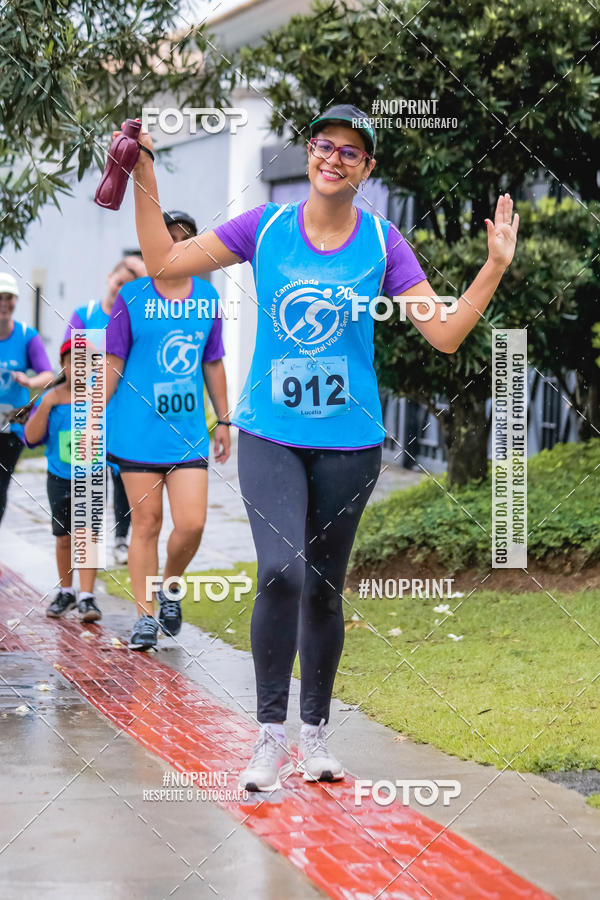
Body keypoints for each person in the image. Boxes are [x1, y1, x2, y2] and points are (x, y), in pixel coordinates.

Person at [120, 102, 519, 789]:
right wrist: (144, 169)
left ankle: (316, 737)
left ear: (367, 167)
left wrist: (494, 267)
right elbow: (164, 259)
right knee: (282, 572)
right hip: (270, 433)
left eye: (349, 151)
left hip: (349, 444)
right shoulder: (266, 226)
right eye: (323, 145)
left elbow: (446, 333)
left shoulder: (383, 242)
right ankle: (268, 738)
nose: (332, 158)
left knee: (326, 590)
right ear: (308, 152)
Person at [105, 208, 231, 651]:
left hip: (187, 433)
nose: (175, 246)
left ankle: (169, 587)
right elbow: (113, 364)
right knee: (147, 523)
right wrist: (91, 414)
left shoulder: (207, 297)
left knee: (192, 524)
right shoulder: (131, 296)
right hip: (136, 432)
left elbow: (212, 361)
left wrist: (224, 419)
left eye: (184, 239)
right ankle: (143, 618)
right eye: (167, 238)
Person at [65, 255, 147, 565]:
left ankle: (121, 539)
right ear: (109, 277)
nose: (120, 289)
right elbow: (71, 364)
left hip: (124, 412)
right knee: (88, 480)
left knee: (123, 478)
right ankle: (87, 546)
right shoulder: (85, 315)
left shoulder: (135, 318)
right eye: (119, 282)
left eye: (128, 286)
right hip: (89, 412)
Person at [24, 340, 104, 622]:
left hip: (92, 475)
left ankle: (87, 596)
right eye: (73, 362)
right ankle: (66, 591)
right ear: (63, 365)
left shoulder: (101, 396)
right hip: (59, 476)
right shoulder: (51, 398)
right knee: (63, 537)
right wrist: (46, 404)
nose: (79, 369)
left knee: (88, 535)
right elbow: (31, 438)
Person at [0, 272, 54, 524]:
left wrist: (28, 381)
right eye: (0, 297)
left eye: (8, 297)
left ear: (16, 300)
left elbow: (48, 375)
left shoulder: (26, 335)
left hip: (13, 423)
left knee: (1, 483)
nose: (4, 303)